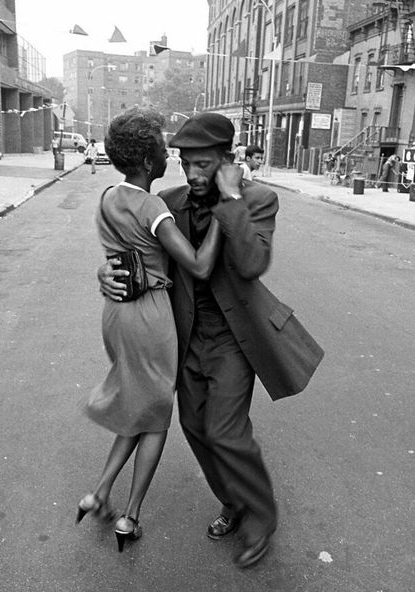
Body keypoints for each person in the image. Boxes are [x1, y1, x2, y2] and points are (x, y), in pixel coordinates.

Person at [98, 112, 324, 568]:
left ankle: (261, 517)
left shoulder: (259, 199)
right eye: (186, 163)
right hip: (179, 336)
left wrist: (232, 198)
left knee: (225, 430)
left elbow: (252, 262)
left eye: (204, 165)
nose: (193, 174)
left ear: (227, 160)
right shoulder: (166, 200)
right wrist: (106, 274)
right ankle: (233, 500)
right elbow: (137, 256)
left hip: (233, 338)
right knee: (195, 429)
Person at [77, 107, 223, 554]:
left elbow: (118, 253)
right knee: (156, 416)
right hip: (150, 316)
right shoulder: (152, 205)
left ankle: (99, 492)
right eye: (162, 149)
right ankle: (131, 514)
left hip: (116, 314)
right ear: (146, 162)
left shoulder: (107, 196)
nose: (168, 155)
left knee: (139, 404)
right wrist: (223, 214)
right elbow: (197, 266)